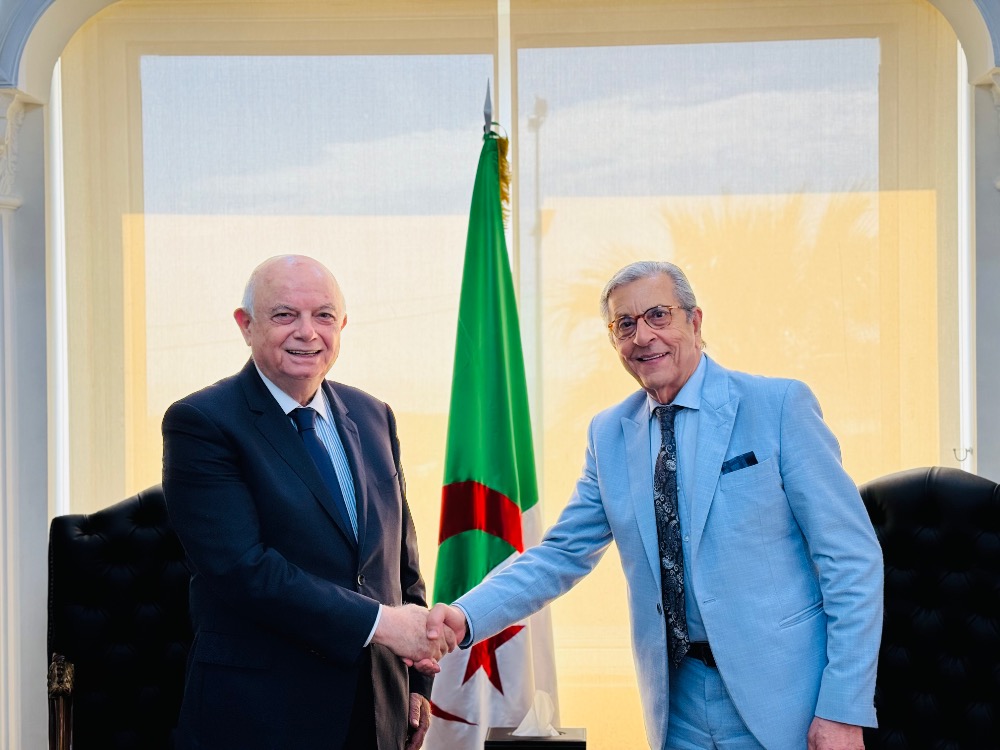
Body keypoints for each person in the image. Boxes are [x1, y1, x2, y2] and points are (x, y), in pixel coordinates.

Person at [428, 260, 883, 750]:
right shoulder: (609, 434)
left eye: (658, 315)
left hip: (787, 701)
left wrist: (843, 708)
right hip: (676, 706)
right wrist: (465, 615)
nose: (643, 336)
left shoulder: (778, 406)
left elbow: (850, 559)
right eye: (624, 324)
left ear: (695, 321)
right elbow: (560, 555)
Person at [162, 254, 452, 750]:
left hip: (377, 708)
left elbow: (400, 562)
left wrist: (415, 681)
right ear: (245, 325)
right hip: (262, 716)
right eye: (284, 315)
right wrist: (382, 625)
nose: (306, 332)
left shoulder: (373, 414)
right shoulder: (201, 422)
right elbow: (243, 570)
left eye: (323, 315)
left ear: (342, 325)